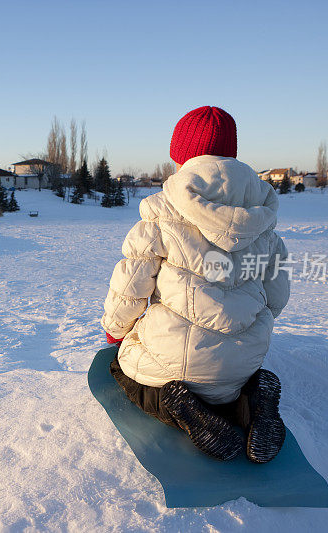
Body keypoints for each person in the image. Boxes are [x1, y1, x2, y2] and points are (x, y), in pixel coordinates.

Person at [101, 106, 290, 462]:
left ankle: (179, 408)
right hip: (244, 360)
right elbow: (277, 297)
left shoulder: (162, 212)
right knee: (229, 384)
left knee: (122, 366)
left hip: (173, 364)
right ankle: (255, 401)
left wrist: (116, 330)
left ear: (181, 156)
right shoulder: (261, 215)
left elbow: (130, 286)